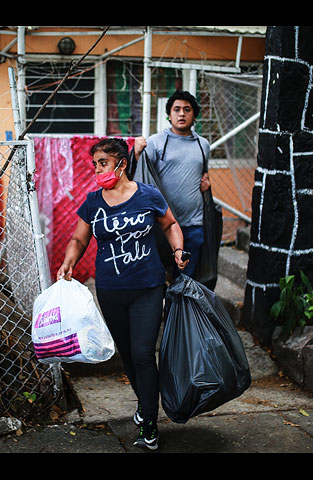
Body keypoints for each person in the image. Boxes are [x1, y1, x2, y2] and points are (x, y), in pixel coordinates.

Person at [57, 137, 188, 450]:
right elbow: (78, 239)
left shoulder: (147, 195)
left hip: (148, 286)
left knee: (143, 352)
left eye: (103, 163)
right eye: (95, 164)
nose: (98, 169)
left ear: (122, 163)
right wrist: (68, 262)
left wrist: (178, 249)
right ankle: (143, 405)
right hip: (111, 289)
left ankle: (151, 424)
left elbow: (170, 224)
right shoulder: (92, 202)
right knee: (127, 354)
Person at [133, 90, 211, 279]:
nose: (182, 114)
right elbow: (140, 176)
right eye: (176, 109)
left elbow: (202, 174)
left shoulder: (203, 145)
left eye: (187, 109)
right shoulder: (155, 142)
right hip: (163, 226)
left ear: (194, 115)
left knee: (185, 280)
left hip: (193, 225)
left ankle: (177, 310)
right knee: (157, 277)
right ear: (169, 115)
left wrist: (206, 184)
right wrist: (135, 153)